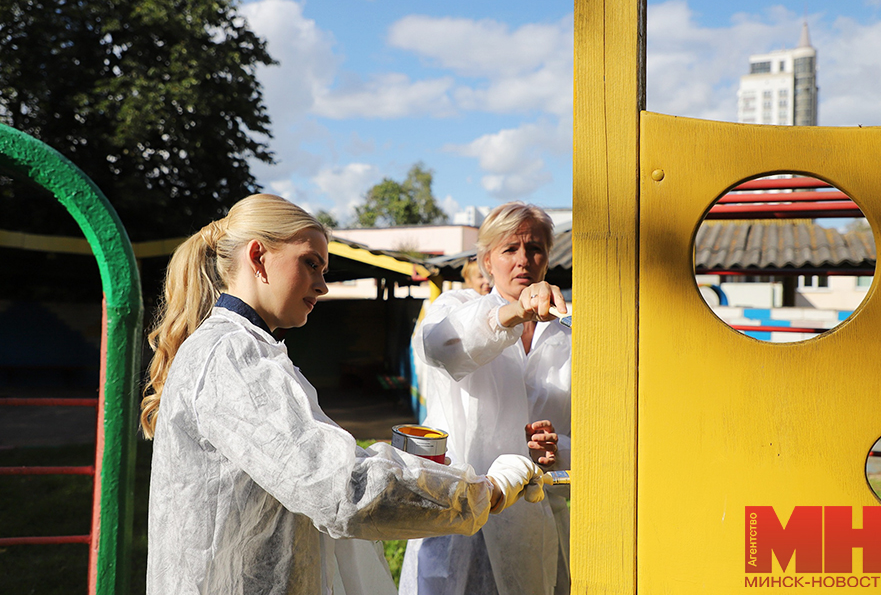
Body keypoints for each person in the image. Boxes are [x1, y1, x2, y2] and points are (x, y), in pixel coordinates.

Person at [140, 193, 548, 595]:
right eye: (311, 264)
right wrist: (482, 492)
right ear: (258, 257)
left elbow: (307, 461)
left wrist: (390, 458)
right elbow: (341, 488)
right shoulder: (233, 354)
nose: (323, 286)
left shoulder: (248, 348)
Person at [400, 202, 571, 595]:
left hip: (536, 522)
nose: (523, 260)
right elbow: (441, 346)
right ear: (486, 260)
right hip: (461, 514)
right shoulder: (456, 307)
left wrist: (557, 448)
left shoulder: (569, 330)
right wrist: (513, 313)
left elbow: (594, 432)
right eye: (510, 249)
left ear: (548, 257)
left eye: (535, 248)